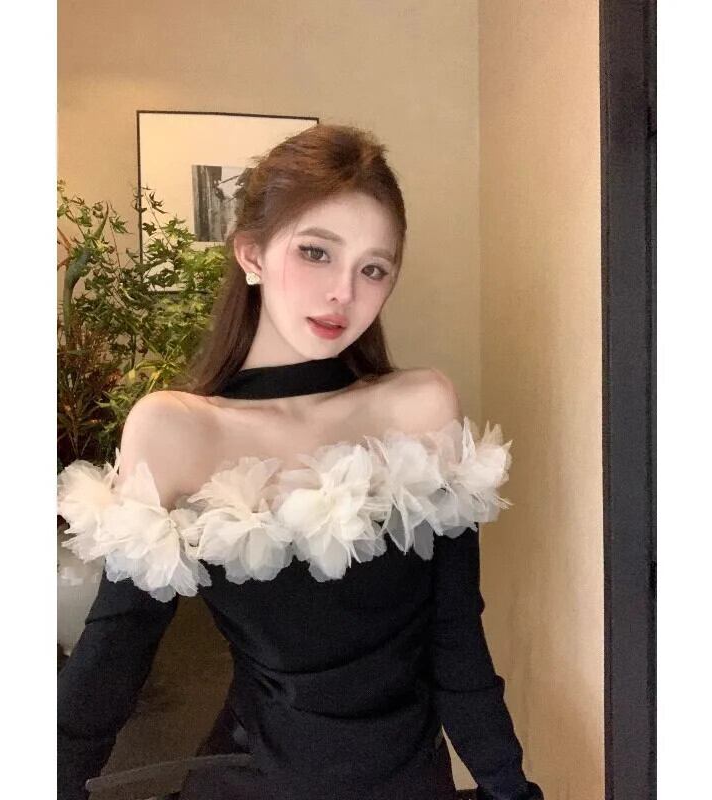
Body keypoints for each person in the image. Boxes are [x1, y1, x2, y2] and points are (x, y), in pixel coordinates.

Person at [57, 124, 545, 800]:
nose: (344, 292)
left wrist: (509, 787)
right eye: (316, 252)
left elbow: (457, 639)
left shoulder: (421, 408)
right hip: (251, 781)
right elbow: (112, 661)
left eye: (374, 268)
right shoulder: (177, 430)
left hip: (410, 783)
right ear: (251, 253)